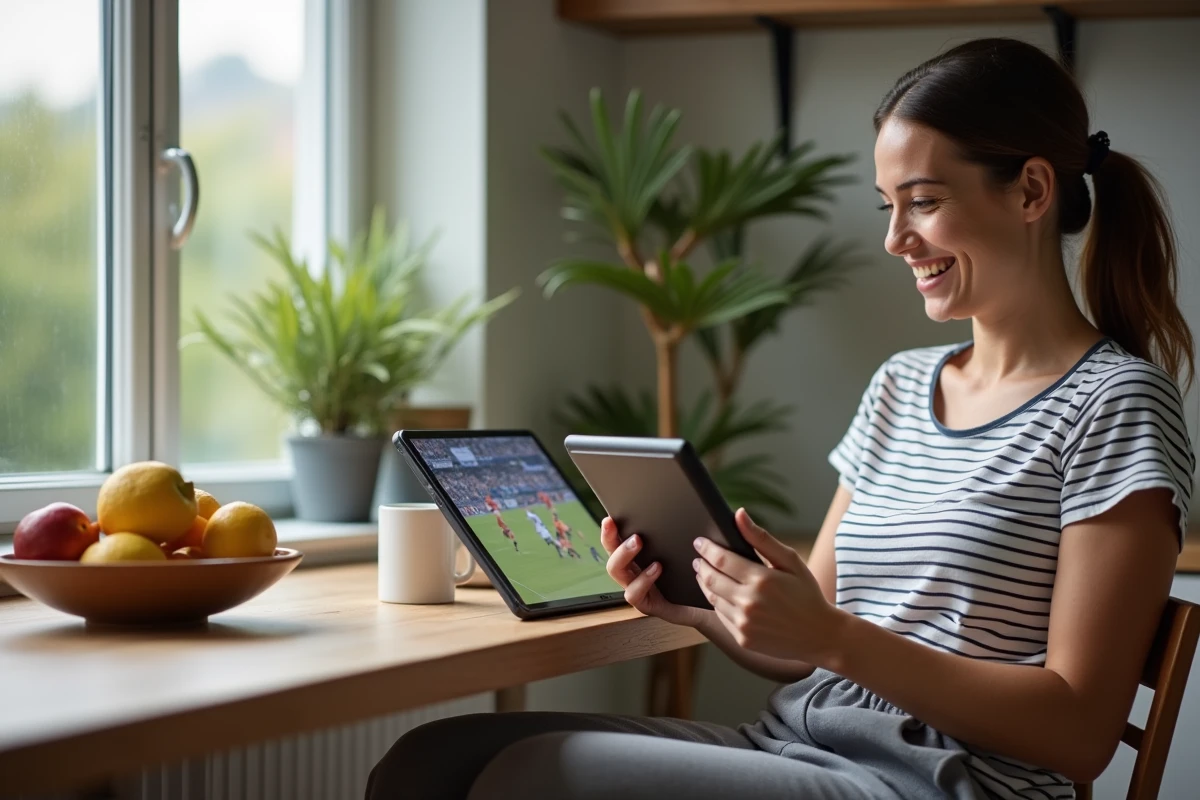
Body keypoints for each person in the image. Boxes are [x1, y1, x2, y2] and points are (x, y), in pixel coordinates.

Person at [366, 37, 1193, 800]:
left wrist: (836, 639)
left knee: (535, 776)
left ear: (1034, 191)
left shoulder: (1115, 406)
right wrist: (696, 604)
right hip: (797, 745)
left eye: (925, 201)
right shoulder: (901, 387)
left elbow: (1081, 733)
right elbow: (803, 642)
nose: (897, 240)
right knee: (428, 763)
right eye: (887, 207)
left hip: (937, 785)